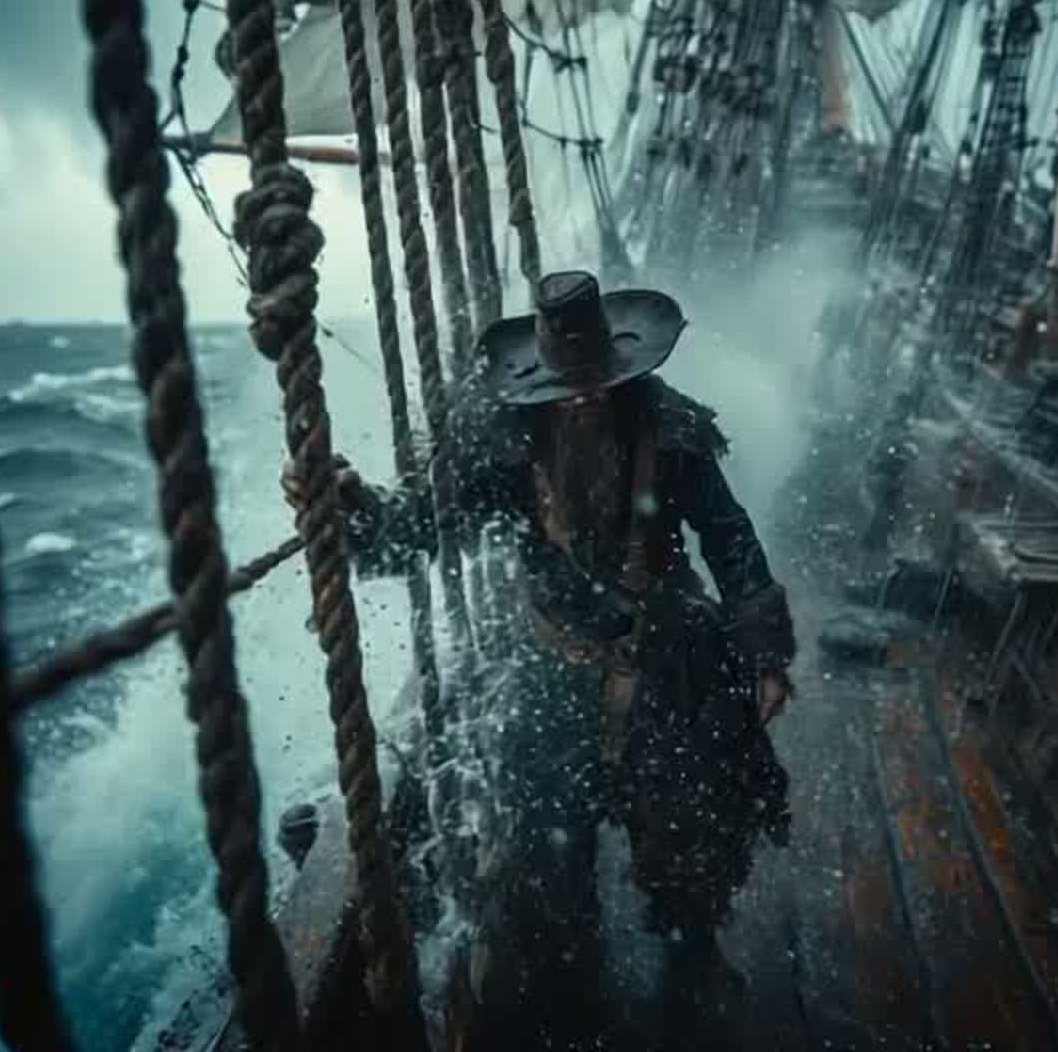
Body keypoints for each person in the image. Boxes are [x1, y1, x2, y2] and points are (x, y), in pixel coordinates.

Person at [282, 270, 795, 1035]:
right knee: (544, 851)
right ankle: (567, 987)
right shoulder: (500, 443)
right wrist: (349, 503)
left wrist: (765, 655)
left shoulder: (672, 428)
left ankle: (691, 959)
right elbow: (415, 531)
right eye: (568, 386)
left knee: (690, 837)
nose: (583, 399)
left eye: (596, 383)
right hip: (552, 663)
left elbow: (728, 535)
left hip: (670, 656)